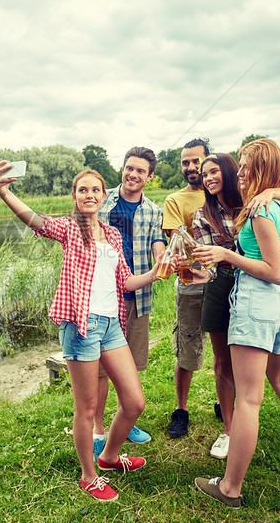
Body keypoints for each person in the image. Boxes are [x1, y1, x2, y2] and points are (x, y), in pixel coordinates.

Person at [0, 161, 161, 502]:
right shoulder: (69, 229)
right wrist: (5, 192)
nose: (89, 194)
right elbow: (35, 220)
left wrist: (157, 272)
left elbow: (125, 282)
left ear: (103, 196)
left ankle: (110, 457)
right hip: (81, 327)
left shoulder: (112, 234)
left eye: (95, 189)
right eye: (82, 189)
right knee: (85, 409)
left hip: (112, 325)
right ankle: (89, 476)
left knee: (134, 401)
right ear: (75, 196)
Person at [192, 139, 280, 510]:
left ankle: (230, 488)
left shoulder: (261, 211)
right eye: (242, 165)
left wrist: (226, 254)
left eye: (249, 165)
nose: (243, 171)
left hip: (259, 306)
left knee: (249, 399)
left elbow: (274, 272)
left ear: (265, 169)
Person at [191, 153, 280, 460]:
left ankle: (243, 424)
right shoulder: (203, 215)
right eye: (204, 175)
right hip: (221, 286)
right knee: (223, 362)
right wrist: (203, 272)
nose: (208, 178)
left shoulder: (253, 200)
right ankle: (229, 430)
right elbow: (207, 259)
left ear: (230, 173)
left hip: (255, 288)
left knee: (254, 378)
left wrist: (271, 191)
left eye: (214, 171)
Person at [93, 147, 166, 458]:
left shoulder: (154, 212)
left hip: (137, 296)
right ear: (121, 169)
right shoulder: (100, 200)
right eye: (129, 168)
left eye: (141, 171)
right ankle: (98, 430)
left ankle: (126, 419)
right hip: (101, 298)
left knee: (132, 365)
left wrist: (163, 261)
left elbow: (157, 245)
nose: (133, 175)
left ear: (149, 177)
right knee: (99, 370)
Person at [162, 138, 210, 439]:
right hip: (191, 283)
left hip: (226, 283)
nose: (190, 167)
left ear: (208, 161)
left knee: (227, 349)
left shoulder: (225, 192)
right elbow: (177, 238)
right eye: (185, 162)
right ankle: (181, 409)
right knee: (187, 347)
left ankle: (223, 402)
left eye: (196, 161)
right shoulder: (175, 200)